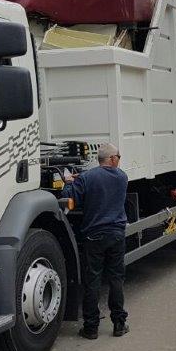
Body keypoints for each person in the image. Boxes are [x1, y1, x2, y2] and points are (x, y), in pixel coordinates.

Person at [61, 143, 130, 339]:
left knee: (92, 281)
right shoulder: (122, 177)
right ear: (112, 159)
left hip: (94, 235)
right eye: (118, 157)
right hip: (116, 234)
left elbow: (69, 198)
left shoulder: (87, 178)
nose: (119, 160)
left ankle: (91, 328)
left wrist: (69, 182)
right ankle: (119, 324)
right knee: (116, 279)